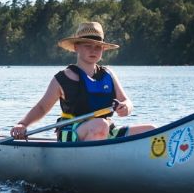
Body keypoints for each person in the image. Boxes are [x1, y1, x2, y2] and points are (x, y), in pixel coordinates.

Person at [10, 22, 155, 142]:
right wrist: (22, 124)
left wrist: (125, 107)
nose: (93, 50)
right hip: (71, 133)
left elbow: (126, 101)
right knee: (100, 125)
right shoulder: (63, 78)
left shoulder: (109, 74)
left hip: (105, 130)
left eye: (97, 47)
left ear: (103, 50)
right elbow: (42, 107)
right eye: (88, 45)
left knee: (152, 131)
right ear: (76, 47)